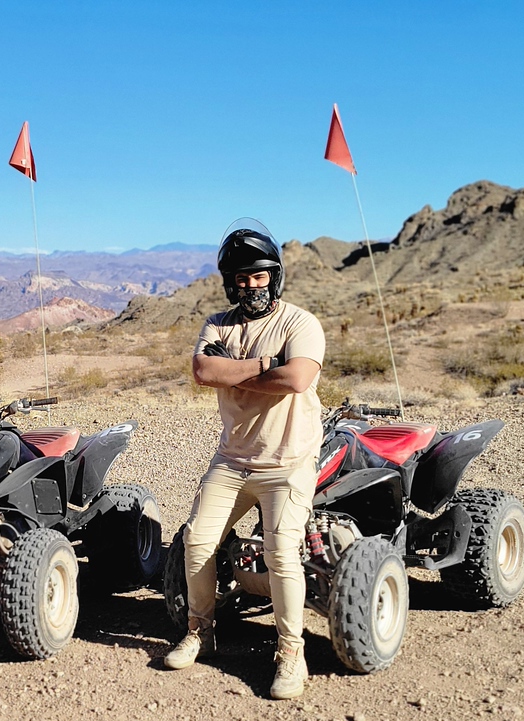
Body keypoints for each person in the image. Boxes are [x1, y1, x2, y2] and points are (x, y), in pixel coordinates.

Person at [165, 219, 325, 700]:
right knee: (197, 541)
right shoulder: (218, 324)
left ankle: (291, 653)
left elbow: (297, 379)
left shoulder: (299, 323)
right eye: (242, 278)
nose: (251, 285)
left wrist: (232, 371)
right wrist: (264, 365)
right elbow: (203, 370)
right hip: (233, 460)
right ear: (230, 282)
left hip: (288, 460)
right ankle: (200, 631)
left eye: (259, 276)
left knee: (281, 555)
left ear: (274, 276)